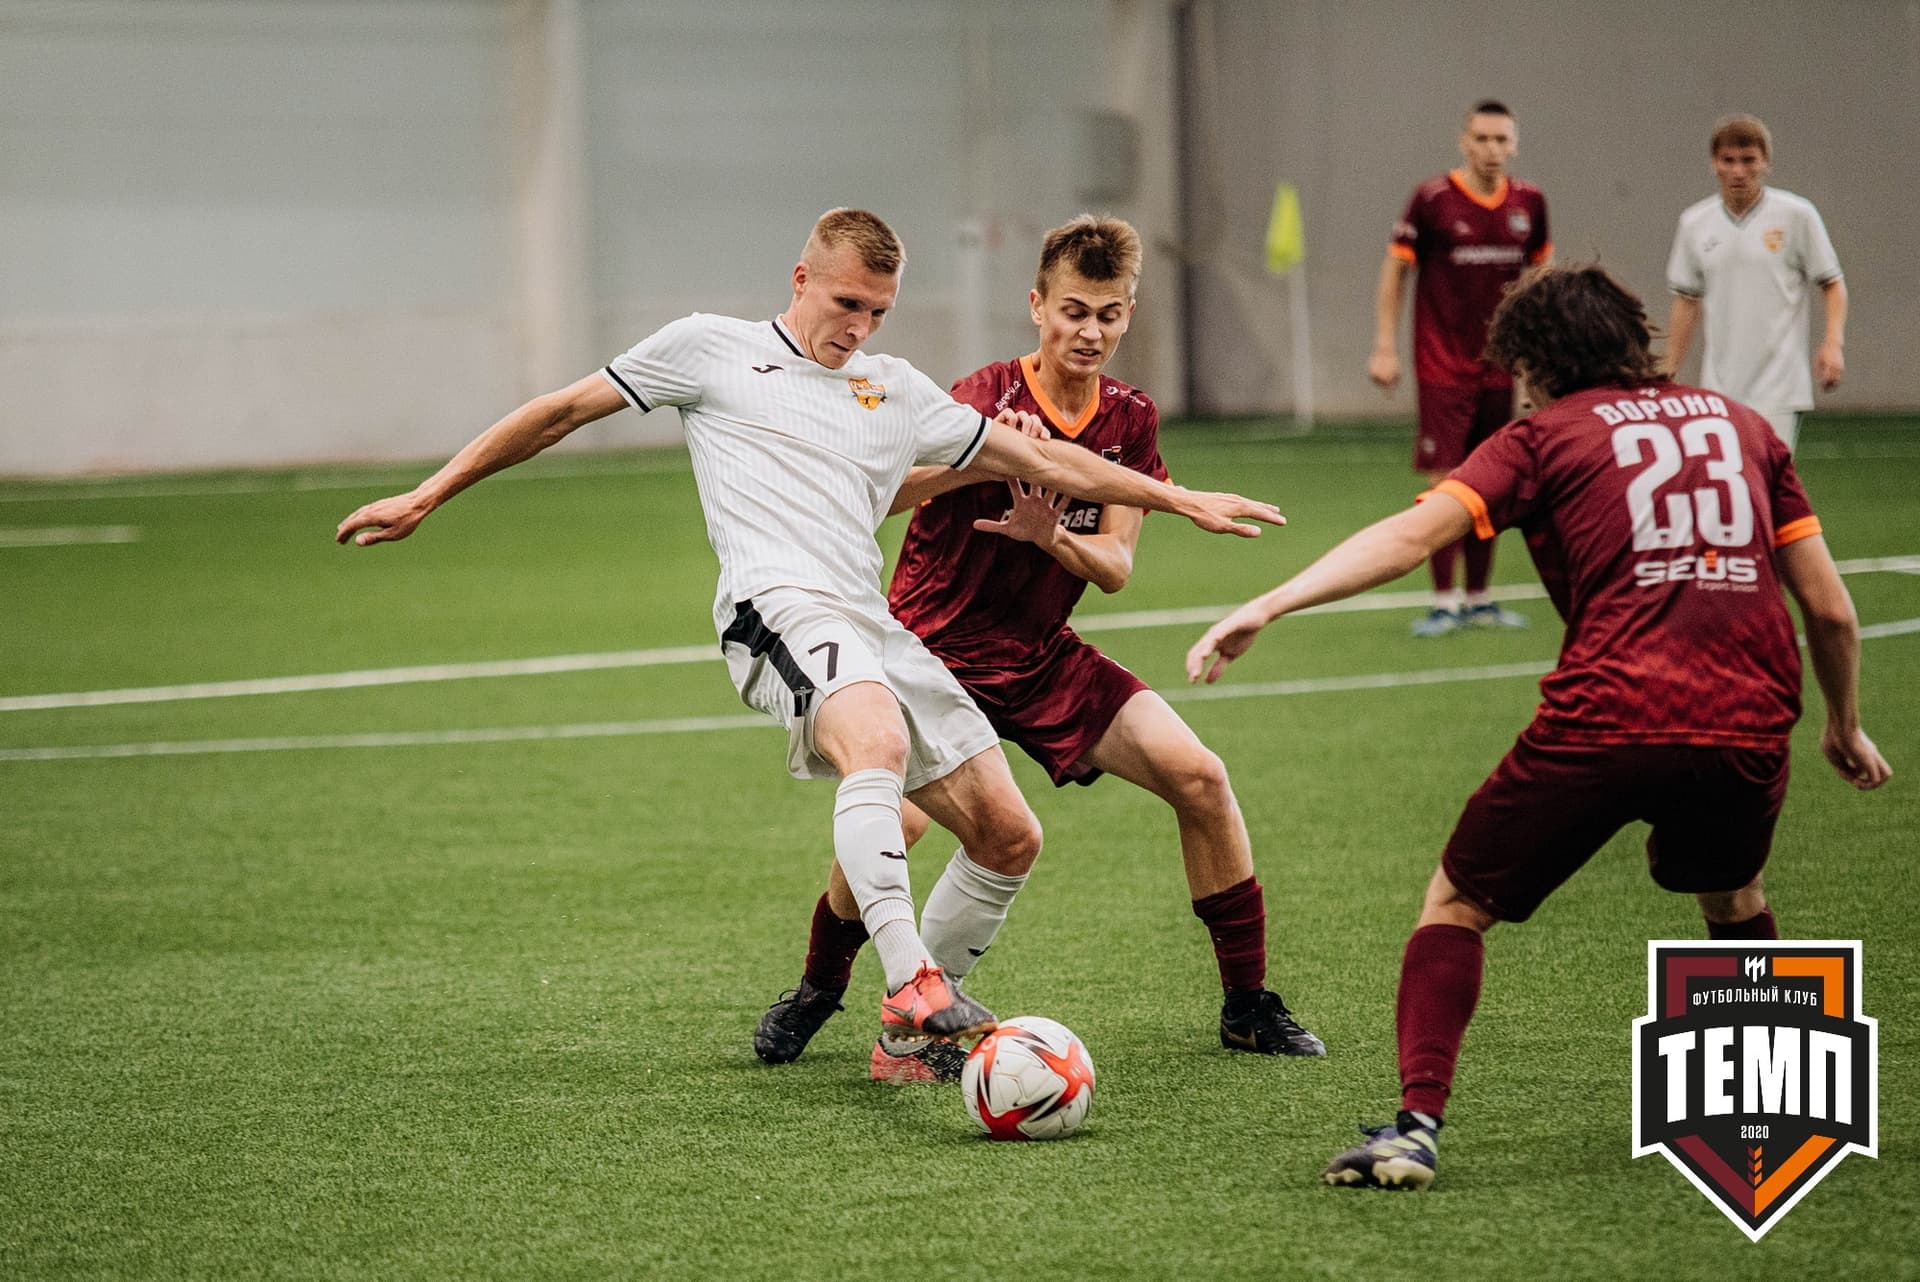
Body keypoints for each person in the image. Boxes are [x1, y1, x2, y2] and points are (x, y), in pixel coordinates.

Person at [335, 208, 1286, 1063]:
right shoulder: (709, 348)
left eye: (879, 312)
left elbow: (1055, 462)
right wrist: (428, 494)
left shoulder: (896, 389)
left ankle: (909, 1039)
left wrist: (1180, 499)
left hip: (876, 625)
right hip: (774, 607)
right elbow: (559, 412)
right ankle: (911, 985)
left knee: (1009, 834)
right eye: (846, 304)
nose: (859, 327)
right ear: (801, 280)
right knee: (874, 741)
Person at [1188, 264, 1890, 1191]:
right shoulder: (1746, 428)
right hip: (1750, 717)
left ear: (1539, 362)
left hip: (1609, 714)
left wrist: (1270, 603)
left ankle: (1415, 1129)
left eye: (1520, 367)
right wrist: (1844, 725)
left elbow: (1412, 537)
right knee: (1732, 894)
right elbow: (1831, 612)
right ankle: (1774, 1112)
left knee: (1456, 903)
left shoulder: (1543, 436)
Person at [751, 216, 1324, 1085]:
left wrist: (1049, 534)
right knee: (900, 822)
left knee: (1201, 778)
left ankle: (1247, 1007)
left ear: (1128, 316)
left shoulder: (1130, 418)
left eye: (1108, 315)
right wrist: (986, 458)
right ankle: (819, 989)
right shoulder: (979, 394)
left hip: (1040, 653)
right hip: (932, 646)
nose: (1088, 332)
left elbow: (1116, 568)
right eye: (1073, 312)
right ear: (1037, 307)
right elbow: (881, 494)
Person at [1370, 99, 1551, 637]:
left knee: (1491, 481)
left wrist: (1538, 359)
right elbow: (1395, 272)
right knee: (1446, 481)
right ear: (1464, 142)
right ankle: (1444, 600)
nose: (1492, 149)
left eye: (1502, 139)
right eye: (1482, 139)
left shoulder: (1530, 203)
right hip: (1442, 367)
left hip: (1501, 367)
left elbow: (1540, 281)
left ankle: (1479, 598)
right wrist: (1384, 346)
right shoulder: (1432, 200)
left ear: (1514, 144)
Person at [1664, 113, 1847, 452]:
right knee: (1724, 478)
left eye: (1748, 160)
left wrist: (1833, 343)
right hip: (1718, 387)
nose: (1738, 171)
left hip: (1780, 386)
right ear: (1714, 164)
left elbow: (1832, 282)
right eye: (1728, 160)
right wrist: (1669, 369)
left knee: (1767, 478)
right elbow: (1687, 301)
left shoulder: (1796, 215)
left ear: (1766, 163)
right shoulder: (1694, 223)